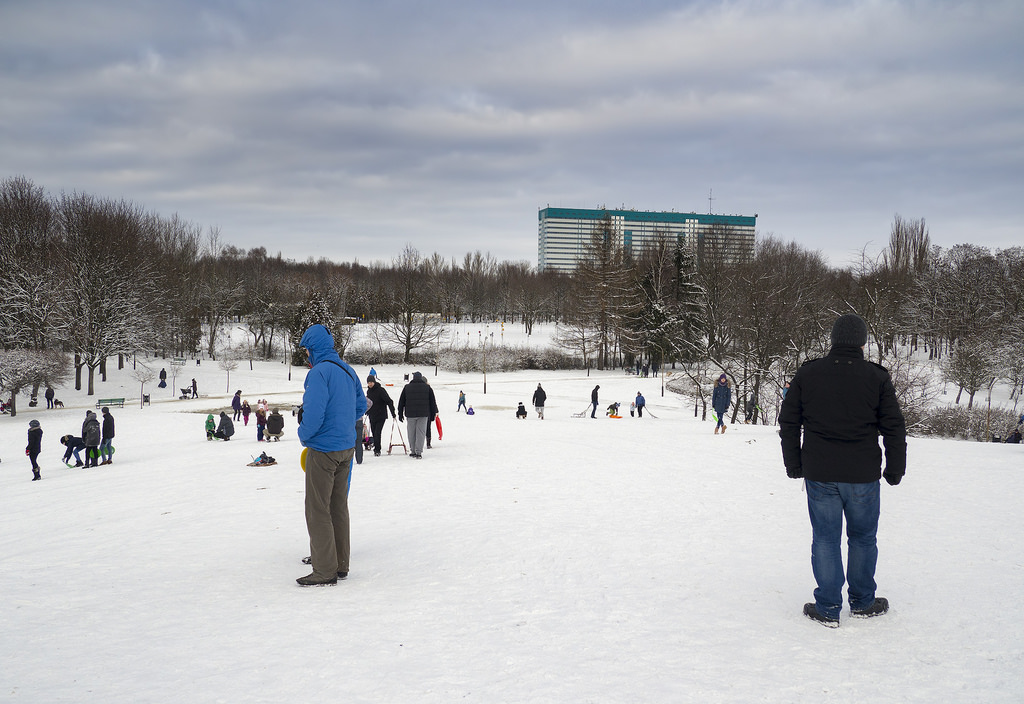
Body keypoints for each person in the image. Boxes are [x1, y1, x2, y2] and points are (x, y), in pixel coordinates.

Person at [780, 313, 907, 628]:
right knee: (863, 538)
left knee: (825, 538)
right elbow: (894, 427)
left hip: (820, 471)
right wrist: (895, 467)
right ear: (862, 342)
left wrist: (793, 463)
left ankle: (827, 607)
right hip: (862, 473)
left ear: (834, 340)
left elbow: (789, 422)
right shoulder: (876, 377)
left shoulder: (809, 374)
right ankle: (862, 603)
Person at [296, 324, 367, 586]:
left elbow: (313, 413)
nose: (306, 355)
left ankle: (324, 570)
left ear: (312, 348)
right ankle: (341, 564)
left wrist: (304, 435)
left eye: (306, 350)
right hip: (346, 448)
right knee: (338, 506)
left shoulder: (319, 373)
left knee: (317, 509)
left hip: (324, 450)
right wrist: (343, 425)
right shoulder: (347, 370)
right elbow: (361, 405)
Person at [397, 371, 438, 459]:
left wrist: (400, 413)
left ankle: (413, 451)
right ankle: (419, 452)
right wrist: (432, 414)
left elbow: (401, 402)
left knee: (411, 432)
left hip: (410, 414)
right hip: (423, 414)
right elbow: (432, 402)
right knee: (421, 432)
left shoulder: (407, 387)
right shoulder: (427, 388)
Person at [365, 375, 396, 457]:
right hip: (372, 415)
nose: (370, 384)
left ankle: (377, 450)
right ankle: (376, 446)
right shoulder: (368, 391)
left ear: (374, 382)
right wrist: (366, 410)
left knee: (378, 432)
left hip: (381, 415)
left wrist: (393, 412)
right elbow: (368, 402)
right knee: (374, 432)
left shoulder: (381, 390)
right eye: (368, 383)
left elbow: (389, 401)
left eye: (371, 382)